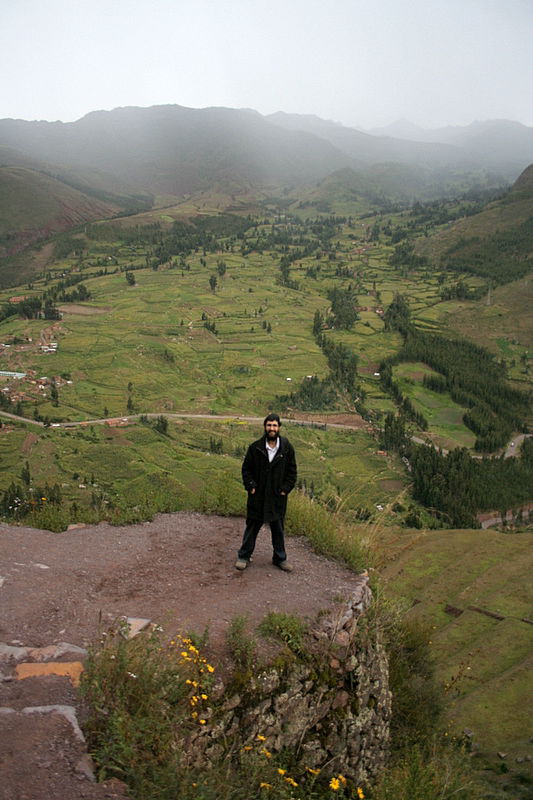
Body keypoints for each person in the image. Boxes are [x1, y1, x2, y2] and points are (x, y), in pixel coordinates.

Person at [235, 413, 297, 572]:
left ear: (279, 428)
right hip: (258, 496)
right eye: (269, 425)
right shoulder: (255, 448)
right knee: (252, 527)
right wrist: (251, 486)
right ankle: (244, 556)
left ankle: (280, 558)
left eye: (275, 425)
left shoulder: (286, 448)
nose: (272, 428)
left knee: (278, 529)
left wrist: (285, 489)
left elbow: (292, 471)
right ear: (265, 427)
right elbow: (246, 469)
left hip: (277, 497)